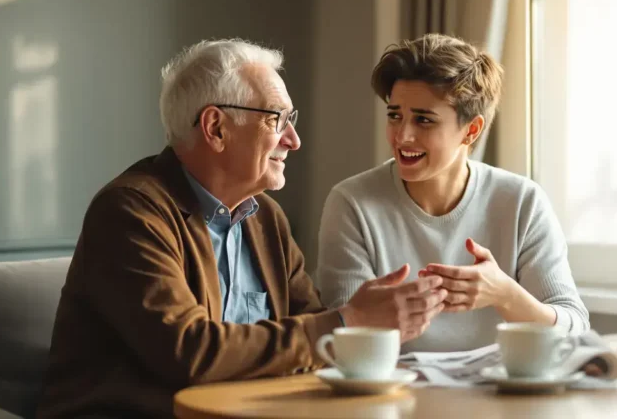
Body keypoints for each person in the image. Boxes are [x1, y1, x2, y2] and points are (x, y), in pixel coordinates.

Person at [37, 39, 448, 418]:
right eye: (278, 119)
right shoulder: (130, 212)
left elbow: (313, 335)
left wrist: (366, 323)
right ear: (216, 128)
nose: (294, 139)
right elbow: (190, 354)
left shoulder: (265, 218)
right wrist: (347, 322)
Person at [315, 34, 589, 353]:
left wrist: (504, 293)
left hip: (498, 396)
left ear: (471, 130)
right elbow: (346, 340)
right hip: (395, 394)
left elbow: (576, 330)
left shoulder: (522, 202)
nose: (403, 135)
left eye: (423, 120)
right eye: (394, 115)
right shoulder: (352, 203)